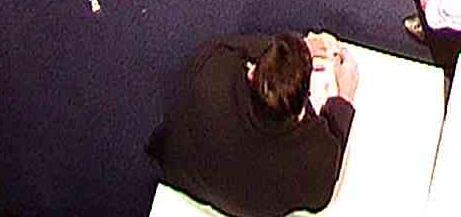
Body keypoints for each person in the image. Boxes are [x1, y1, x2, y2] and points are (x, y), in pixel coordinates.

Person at [150, 30, 356, 216]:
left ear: (251, 73)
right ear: (301, 113)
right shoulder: (313, 161)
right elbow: (322, 193)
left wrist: (289, 56)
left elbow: (234, 45)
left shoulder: (210, 72)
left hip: (184, 175)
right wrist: (345, 95)